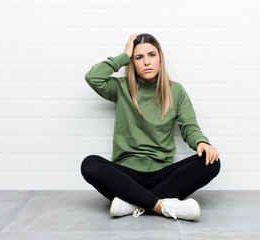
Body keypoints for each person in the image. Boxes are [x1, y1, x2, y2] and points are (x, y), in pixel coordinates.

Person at [81, 33, 220, 221]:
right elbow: (93, 77)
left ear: (160, 58)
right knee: (90, 164)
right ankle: (162, 205)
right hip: (127, 175)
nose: (146, 62)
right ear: (132, 61)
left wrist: (201, 142)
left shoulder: (175, 91)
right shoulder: (121, 88)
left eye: (152, 55)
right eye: (139, 57)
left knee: (212, 163)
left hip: (163, 173)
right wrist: (124, 56)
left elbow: (189, 127)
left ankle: (132, 203)